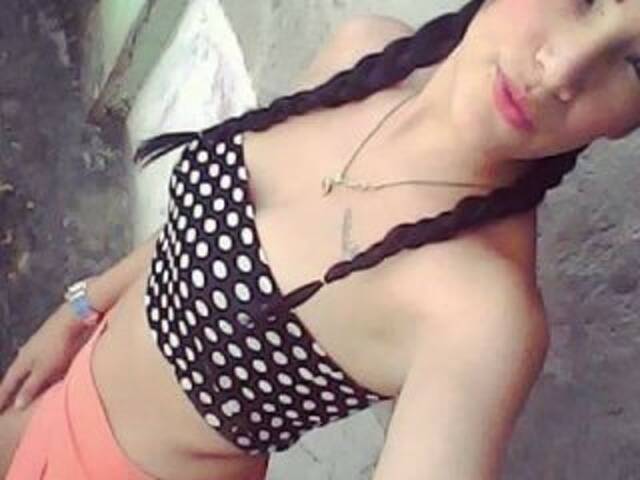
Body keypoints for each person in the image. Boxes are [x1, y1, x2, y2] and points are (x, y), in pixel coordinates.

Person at [2, 0, 639, 478]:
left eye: (637, 63)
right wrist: (80, 308)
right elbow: (201, 236)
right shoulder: (363, 53)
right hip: (56, 393)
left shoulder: (482, 314)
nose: (564, 68)